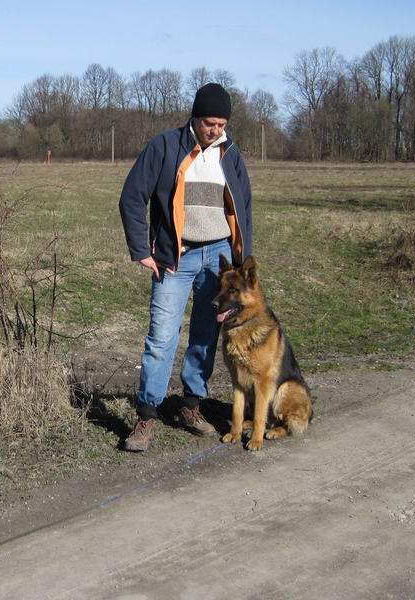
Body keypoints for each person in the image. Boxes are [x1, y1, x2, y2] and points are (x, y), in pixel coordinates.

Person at [118, 82, 253, 452]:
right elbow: (132, 196)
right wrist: (141, 249)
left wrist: (240, 262)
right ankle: (147, 413)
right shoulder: (165, 146)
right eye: (210, 122)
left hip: (219, 258)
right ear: (195, 118)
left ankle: (192, 406)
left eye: (222, 124)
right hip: (175, 258)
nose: (216, 130)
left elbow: (244, 206)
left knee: (206, 336)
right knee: (161, 338)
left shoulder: (231, 154)